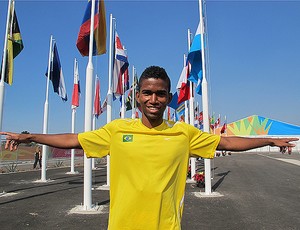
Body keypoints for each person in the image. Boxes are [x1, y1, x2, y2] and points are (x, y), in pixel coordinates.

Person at [0, 66, 298, 230]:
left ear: (169, 98)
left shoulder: (183, 133)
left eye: (160, 94)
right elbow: (75, 140)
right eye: (147, 93)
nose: (154, 99)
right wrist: (32, 137)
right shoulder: (118, 130)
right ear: (138, 96)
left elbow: (228, 142)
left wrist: (269, 139)